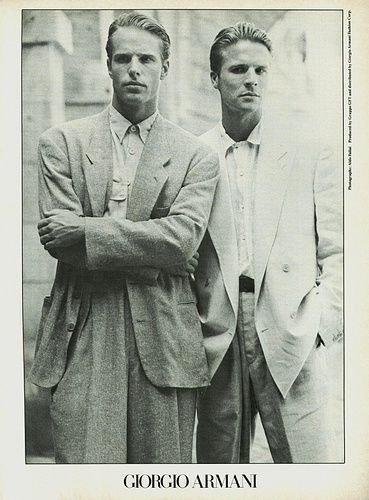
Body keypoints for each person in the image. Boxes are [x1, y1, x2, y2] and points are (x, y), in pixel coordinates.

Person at [29, 12, 219, 464]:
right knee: (85, 477)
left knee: (160, 480)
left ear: (164, 68)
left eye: (147, 59)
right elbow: (60, 240)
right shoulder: (61, 143)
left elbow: (182, 239)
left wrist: (88, 227)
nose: (135, 68)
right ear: (108, 65)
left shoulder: (196, 155)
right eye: (124, 58)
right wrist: (157, 251)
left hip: (164, 332)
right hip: (84, 323)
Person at [195, 22, 343, 463]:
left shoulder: (308, 148)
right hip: (218, 331)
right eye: (238, 69)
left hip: (289, 325)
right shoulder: (194, 153)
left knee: (309, 468)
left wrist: (319, 323)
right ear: (215, 78)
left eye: (261, 69)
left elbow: (339, 250)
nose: (252, 79)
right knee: (221, 470)